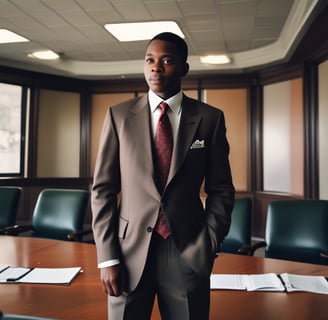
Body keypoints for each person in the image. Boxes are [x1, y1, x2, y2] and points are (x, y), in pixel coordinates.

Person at [91, 32, 235, 320]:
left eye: (167, 60)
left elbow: (221, 190)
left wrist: (208, 244)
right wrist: (107, 257)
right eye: (150, 60)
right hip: (127, 253)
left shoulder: (209, 118)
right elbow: (103, 190)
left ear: (184, 68)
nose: (156, 67)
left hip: (187, 251)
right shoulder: (118, 116)